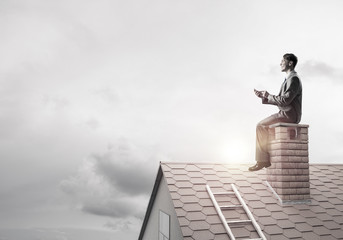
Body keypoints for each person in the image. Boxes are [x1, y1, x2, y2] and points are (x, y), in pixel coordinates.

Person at [249, 53, 302, 171]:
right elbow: (281, 101)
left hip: (289, 115)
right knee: (262, 125)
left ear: (290, 63)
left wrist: (269, 95)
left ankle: (263, 160)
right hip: (285, 113)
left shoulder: (294, 80)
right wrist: (265, 97)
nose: (280, 63)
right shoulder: (288, 79)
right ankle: (265, 160)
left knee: (261, 125)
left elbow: (285, 101)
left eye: (282, 61)